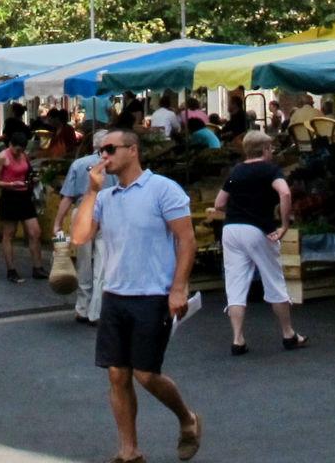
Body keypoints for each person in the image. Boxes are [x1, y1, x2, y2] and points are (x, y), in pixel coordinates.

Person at [70, 128, 202, 463]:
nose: (104, 156)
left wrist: (178, 287)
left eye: (111, 149)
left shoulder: (163, 189)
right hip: (115, 294)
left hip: (152, 294)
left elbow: (187, 240)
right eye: (101, 150)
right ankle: (129, 450)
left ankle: (187, 418)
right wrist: (91, 192)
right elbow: (80, 236)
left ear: (133, 150)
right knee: (117, 373)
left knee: (146, 374)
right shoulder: (105, 197)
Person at [212, 131, 305, 356]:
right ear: (264, 150)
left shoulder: (236, 171)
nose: (272, 152)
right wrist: (284, 224)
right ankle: (288, 333)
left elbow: (219, 203)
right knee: (274, 280)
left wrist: (237, 210)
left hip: (231, 229)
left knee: (235, 284)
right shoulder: (269, 169)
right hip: (259, 229)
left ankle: (237, 339)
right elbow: (284, 193)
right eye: (270, 148)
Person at [54, 125, 105, 325]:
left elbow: (67, 196)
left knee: (84, 262)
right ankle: (96, 311)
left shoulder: (78, 164)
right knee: (102, 264)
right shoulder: (115, 165)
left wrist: (57, 222)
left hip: (82, 213)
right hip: (107, 215)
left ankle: (82, 308)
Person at [0, 133, 47, 283]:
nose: (18, 153)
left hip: (24, 196)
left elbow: (27, 171)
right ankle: (11, 269)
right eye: (16, 150)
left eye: (21, 150)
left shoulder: (23, 155)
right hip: (10, 197)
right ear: (10, 145)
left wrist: (32, 179)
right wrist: (10, 184)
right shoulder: (2, 157)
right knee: (9, 233)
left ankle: (37, 267)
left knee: (35, 232)